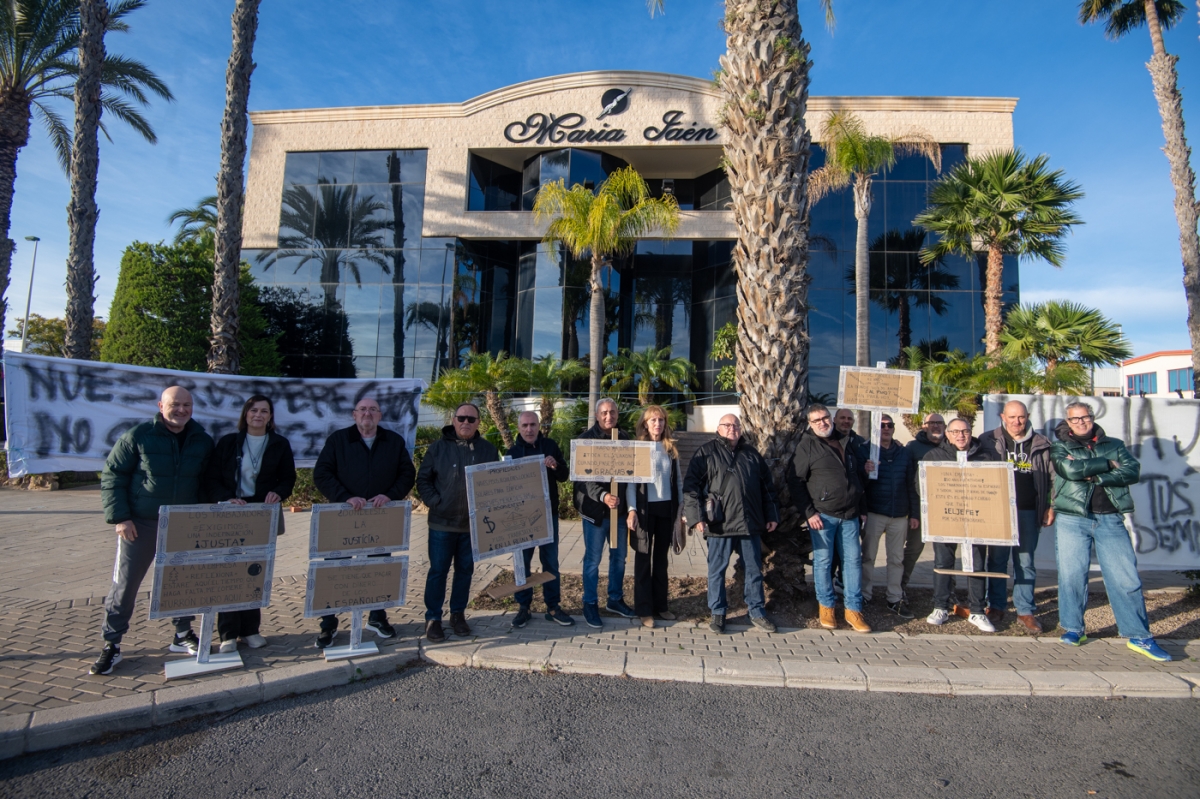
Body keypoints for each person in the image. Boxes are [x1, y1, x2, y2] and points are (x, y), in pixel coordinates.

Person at [91, 386, 214, 675]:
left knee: (181, 583)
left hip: (183, 523)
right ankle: (112, 644)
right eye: (175, 404)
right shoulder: (137, 436)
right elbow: (112, 476)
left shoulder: (202, 440)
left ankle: (182, 634)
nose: (181, 410)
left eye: (187, 405)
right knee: (125, 586)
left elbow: (207, 481)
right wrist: (120, 517)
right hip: (140, 524)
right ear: (161, 405)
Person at [1051, 401, 1171, 662]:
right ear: (1067, 422)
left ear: (1092, 417)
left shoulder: (1115, 443)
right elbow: (1069, 470)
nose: (1081, 422)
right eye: (1075, 419)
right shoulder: (1061, 445)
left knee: (1125, 579)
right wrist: (1108, 463)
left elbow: (1133, 471)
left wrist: (1095, 476)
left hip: (1111, 519)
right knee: (1072, 576)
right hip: (1073, 519)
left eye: (1085, 417)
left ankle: (1138, 635)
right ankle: (1073, 628)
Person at [313, 394, 416, 649]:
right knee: (336, 571)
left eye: (373, 410)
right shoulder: (338, 440)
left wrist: (390, 495)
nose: (367, 414)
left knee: (379, 568)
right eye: (362, 409)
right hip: (343, 518)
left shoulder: (393, 441)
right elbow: (322, 474)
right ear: (354, 414)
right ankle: (328, 624)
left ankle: (377, 618)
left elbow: (407, 473)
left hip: (380, 518)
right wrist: (345, 497)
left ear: (380, 416)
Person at [205, 394, 297, 652]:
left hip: (260, 516)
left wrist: (279, 492)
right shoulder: (228, 443)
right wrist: (225, 499)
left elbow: (288, 478)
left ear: (270, 417)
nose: (258, 415)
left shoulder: (279, 444)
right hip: (231, 514)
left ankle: (250, 630)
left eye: (264, 411)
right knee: (230, 573)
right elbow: (211, 479)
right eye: (253, 410)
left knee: (253, 572)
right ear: (245, 415)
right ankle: (227, 633)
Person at [683, 414, 780, 633]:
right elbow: (691, 487)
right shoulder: (706, 452)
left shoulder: (752, 454)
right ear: (718, 429)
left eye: (736, 425)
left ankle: (757, 612)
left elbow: (767, 489)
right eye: (727, 425)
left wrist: (772, 515)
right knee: (716, 570)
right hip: (719, 525)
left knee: (754, 570)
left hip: (749, 524)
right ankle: (718, 613)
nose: (732, 428)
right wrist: (696, 517)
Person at [417, 402, 499, 642]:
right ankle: (433, 618)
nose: (466, 422)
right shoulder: (437, 448)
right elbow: (423, 480)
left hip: (471, 527)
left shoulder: (488, 450)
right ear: (453, 420)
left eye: (471, 419)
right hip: (442, 524)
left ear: (478, 423)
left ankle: (457, 615)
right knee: (438, 572)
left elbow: (495, 483)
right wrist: (436, 501)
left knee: (465, 572)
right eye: (461, 418)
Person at [788, 404, 871, 633]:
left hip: (851, 516)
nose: (822, 423)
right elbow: (795, 480)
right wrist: (809, 512)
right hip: (823, 517)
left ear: (831, 418)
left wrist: (861, 506)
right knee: (823, 563)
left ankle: (854, 610)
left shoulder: (847, 441)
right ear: (810, 424)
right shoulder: (807, 446)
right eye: (816, 421)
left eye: (825, 418)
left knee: (853, 562)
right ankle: (826, 607)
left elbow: (855, 479)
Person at [977, 400, 1053, 634]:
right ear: (1002, 416)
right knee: (997, 560)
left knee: (1025, 561)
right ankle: (996, 605)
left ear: (1027, 416)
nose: (1016, 422)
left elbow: (1052, 479)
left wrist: (1050, 507)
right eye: (1011, 417)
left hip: (1029, 510)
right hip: (998, 511)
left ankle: (1025, 610)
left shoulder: (1041, 443)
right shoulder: (987, 440)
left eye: (1020, 417)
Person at [922, 418, 1001, 633]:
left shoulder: (985, 456)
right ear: (947, 435)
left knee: (975, 565)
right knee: (943, 563)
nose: (960, 436)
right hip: (946, 520)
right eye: (955, 432)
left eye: (965, 431)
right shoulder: (934, 456)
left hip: (976, 521)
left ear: (970, 432)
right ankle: (941, 607)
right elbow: (922, 487)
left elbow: (996, 487)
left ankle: (977, 610)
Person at [573, 398, 636, 628]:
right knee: (593, 560)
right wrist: (603, 496)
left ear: (617, 414)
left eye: (612, 412)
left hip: (618, 514)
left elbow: (631, 475)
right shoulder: (585, 441)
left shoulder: (626, 439)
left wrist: (630, 509)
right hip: (595, 513)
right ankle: (589, 603)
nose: (609, 416)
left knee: (619, 559)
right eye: (604, 413)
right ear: (597, 415)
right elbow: (583, 478)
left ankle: (615, 599)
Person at [507, 411, 573, 628]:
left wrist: (555, 466)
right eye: (525, 425)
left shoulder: (550, 446)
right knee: (522, 563)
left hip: (547, 515)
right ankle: (523, 607)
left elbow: (564, 476)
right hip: (522, 518)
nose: (529, 429)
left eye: (533, 424)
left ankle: (553, 607)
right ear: (518, 427)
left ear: (539, 425)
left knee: (550, 563)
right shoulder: (512, 454)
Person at [856, 413, 919, 619]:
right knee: (868, 557)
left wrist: (914, 514)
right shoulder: (865, 450)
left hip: (899, 514)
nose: (886, 428)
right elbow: (858, 484)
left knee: (896, 559)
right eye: (882, 425)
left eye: (889, 425)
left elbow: (911, 485)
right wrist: (865, 472)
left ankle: (894, 598)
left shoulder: (904, 453)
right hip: (875, 513)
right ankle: (865, 594)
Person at [627, 405, 681, 629]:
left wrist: (680, 513)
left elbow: (678, 482)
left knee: (661, 561)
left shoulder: (671, 449)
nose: (657, 424)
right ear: (645, 424)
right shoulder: (638, 448)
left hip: (666, 511)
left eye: (660, 420)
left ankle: (661, 606)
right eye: (652, 420)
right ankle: (644, 609)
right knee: (642, 562)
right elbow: (630, 483)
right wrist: (631, 510)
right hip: (643, 511)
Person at [902, 413, 945, 595]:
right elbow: (908, 481)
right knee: (913, 550)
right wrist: (913, 513)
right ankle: (900, 588)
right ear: (924, 426)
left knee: (945, 554)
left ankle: (946, 593)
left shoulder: (951, 446)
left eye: (939, 423)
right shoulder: (912, 448)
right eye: (931, 423)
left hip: (944, 509)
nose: (936, 426)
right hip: (920, 509)